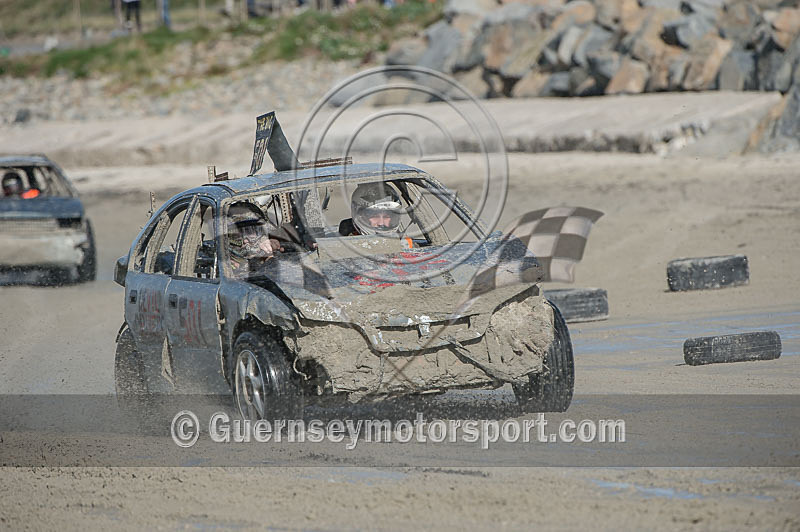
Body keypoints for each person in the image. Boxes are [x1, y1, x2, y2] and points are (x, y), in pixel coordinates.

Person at [226, 202, 284, 279]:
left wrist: (270, 258)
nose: (247, 239)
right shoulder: (221, 262)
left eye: (256, 230)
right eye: (240, 232)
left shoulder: (268, 252)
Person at [339, 182, 404, 237]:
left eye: (386, 217)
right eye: (375, 216)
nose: (381, 223)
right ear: (362, 216)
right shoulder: (346, 245)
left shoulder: (404, 244)